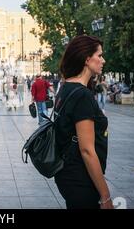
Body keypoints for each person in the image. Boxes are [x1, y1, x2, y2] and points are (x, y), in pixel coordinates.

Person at [54, 35, 113, 209]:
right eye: (99, 55)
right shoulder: (82, 95)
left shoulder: (66, 87)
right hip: (81, 178)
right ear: (87, 59)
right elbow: (87, 150)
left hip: (66, 173)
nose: (103, 60)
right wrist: (105, 196)